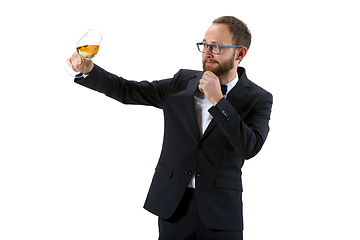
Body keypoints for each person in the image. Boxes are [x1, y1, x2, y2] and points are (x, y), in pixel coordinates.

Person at [67, 16, 273, 240]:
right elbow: (127, 90)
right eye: (205, 45)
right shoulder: (182, 82)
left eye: (216, 47)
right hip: (174, 205)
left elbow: (250, 147)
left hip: (221, 212)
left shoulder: (258, 98)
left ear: (240, 54)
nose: (207, 52)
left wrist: (219, 101)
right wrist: (89, 70)